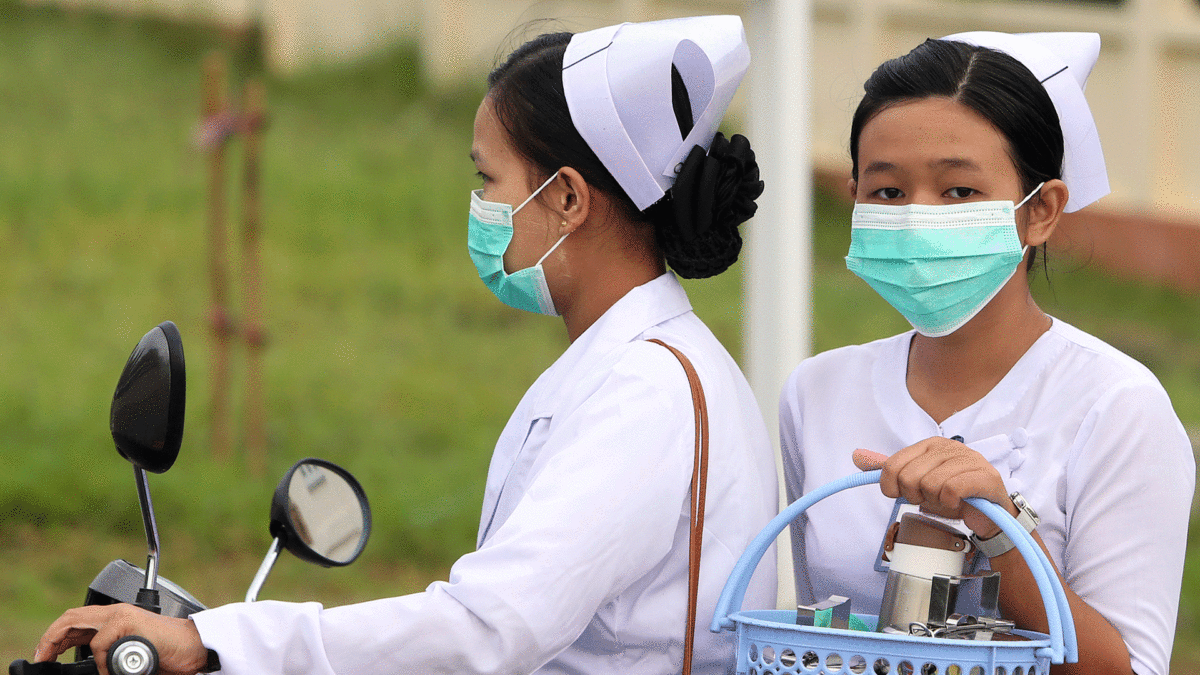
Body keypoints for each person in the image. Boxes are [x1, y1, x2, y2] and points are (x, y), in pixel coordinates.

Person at [33, 15, 778, 675]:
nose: (481, 209)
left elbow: (488, 629)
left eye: (489, 180)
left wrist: (221, 640)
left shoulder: (646, 390)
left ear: (567, 198)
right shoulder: (634, 362)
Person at [779, 31, 1194, 675]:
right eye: (887, 192)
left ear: (1041, 211)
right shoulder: (818, 389)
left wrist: (1003, 531)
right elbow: (825, 639)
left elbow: (1131, 668)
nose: (917, 217)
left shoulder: (1117, 406)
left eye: (959, 192)